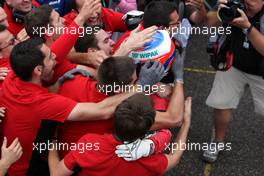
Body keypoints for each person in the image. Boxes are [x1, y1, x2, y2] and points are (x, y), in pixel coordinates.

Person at [0, 1, 137, 175]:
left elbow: (59, 52)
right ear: (38, 70)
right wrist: (140, 87)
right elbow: (102, 110)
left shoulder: (15, 74)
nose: (55, 59)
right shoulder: (40, 102)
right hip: (26, 169)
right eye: (50, 58)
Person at [48, 94, 192, 176]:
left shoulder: (88, 144)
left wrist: (53, 140)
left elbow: (56, 174)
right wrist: (186, 123)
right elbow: (175, 157)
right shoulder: (149, 159)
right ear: (148, 128)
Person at [203, 0, 264, 163]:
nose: (248, 2)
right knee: (221, 104)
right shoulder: (236, 4)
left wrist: (247, 27)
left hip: (261, 71)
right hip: (233, 63)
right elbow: (208, 22)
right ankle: (218, 142)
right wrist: (221, 9)